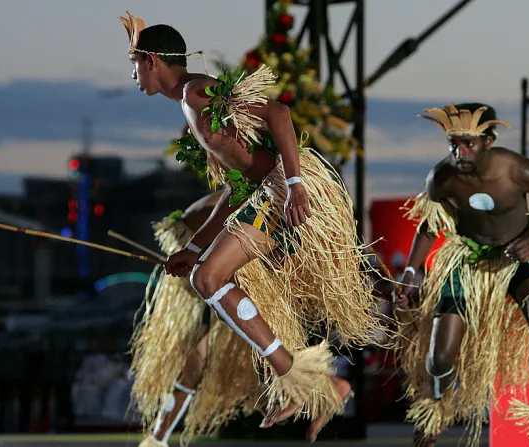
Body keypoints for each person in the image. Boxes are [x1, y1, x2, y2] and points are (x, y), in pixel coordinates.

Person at [118, 11, 393, 444]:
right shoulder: (192, 106)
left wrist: (296, 184)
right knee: (204, 271)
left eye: (134, 64)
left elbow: (279, 114)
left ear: (151, 59)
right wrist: (194, 243)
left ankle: (295, 375)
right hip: (267, 192)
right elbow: (235, 187)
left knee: (208, 277)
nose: (133, 75)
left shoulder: (195, 93)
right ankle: (322, 386)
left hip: (283, 189)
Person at [395, 103, 529, 447]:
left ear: (488, 141)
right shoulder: (443, 176)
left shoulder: (517, 169)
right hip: (468, 261)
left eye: (468, 143)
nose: (459, 151)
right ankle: (434, 407)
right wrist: (411, 270)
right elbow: (430, 225)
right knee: (440, 355)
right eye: (454, 143)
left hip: (518, 255)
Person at [130, 187, 262, 447]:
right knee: (196, 358)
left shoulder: (258, 207)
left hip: (209, 260)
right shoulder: (245, 201)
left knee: (200, 359)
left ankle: (158, 437)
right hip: (197, 258)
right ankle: (158, 436)